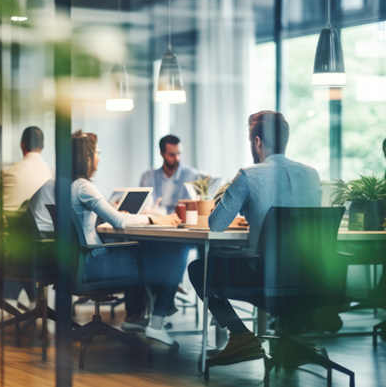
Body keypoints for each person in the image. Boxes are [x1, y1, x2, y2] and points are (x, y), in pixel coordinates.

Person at [188, 110, 322, 364]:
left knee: (199, 268)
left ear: (257, 142)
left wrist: (239, 202)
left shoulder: (249, 175)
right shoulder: (312, 174)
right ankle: (289, 340)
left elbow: (216, 224)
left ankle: (241, 337)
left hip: (266, 280)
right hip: (310, 277)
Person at [71, 129, 188, 349]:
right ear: (86, 157)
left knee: (147, 254)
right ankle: (157, 321)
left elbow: (104, 220)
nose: (98, 156)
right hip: (96, 266)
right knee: (177, 255)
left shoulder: (68, 187)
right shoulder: (84, 187)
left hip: (80, 264)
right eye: (96, 152)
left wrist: (118, 215)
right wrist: (157, 220)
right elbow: (121, 223)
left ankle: (138, 316)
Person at [140, 135, 206, 214]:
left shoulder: (191, 176)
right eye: (172, 155)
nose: (177, 158)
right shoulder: (148, 177)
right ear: (162, 154)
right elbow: (145, 208)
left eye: (179, 154)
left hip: (181, 223)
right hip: (155, 222)